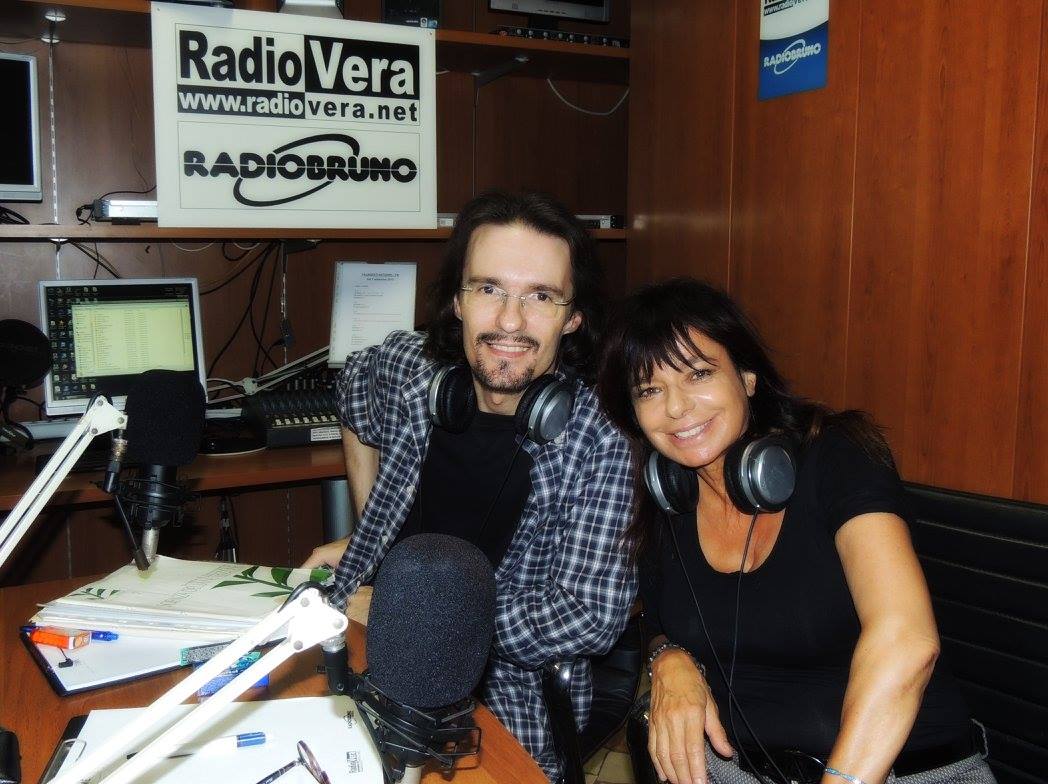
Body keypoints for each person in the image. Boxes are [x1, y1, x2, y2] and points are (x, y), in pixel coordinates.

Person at [596, 278, 994, 784]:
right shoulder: (667, 501)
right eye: (650, 390)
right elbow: (659, 621)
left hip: (893, 772)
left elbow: (906, 640)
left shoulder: (838, 456)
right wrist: (668, 659)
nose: (676, 407)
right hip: (736, 769)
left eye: (698, 373)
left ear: (747, 378)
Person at [303, 190, 637, 779]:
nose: (510, 321)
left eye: (541, 296)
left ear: (574, 316)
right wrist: (370, 539)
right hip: (358, 645)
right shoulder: (414, 374)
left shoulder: (601, 436)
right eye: (488, 289)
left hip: (500, 699)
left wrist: (417, 613)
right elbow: (354, 383)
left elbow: (587, 613)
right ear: (457, 300)